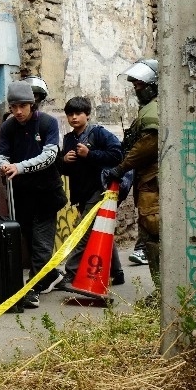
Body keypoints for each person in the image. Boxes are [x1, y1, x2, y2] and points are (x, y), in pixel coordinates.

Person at [0, 80, 67, 306]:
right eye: (13, 106)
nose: (17, 111)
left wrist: (19, 167)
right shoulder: (8, 127)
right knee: (29, 239)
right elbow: (0, 155)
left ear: (32, 104)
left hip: (46, 195)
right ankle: (53, 275)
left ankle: (34, 288)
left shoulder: (47, 123)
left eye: (22, 106)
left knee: (41, 244)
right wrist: (3, 165)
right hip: (21, 196)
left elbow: (49, 156)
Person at [56, 96, 124, 288]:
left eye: (78, 113)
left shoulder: (99, 133)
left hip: (100, 190)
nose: (74, 118)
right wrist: (64, 161)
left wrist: (90, 154)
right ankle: (116, 272)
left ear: (87, 115)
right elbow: (67, 170)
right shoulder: (69, 139)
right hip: (82, 194)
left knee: (83, 231)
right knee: (101, 228)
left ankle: (71, 272)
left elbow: (118, 155)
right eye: (70, 114)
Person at [105, 59, 160, 292]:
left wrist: (121, 168)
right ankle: (163, 292)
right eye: (135, 84)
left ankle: (164, 294)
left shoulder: (154, 111)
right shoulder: (153, 107)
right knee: (150, 239)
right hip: (148, 181)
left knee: (154, 238)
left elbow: (147, 145)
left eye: (140, 84)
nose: (137, 89)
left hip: (153, 183)